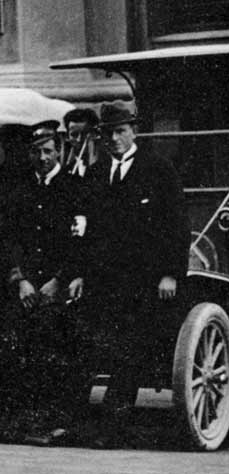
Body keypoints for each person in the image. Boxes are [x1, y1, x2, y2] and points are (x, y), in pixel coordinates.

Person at [72, 102, 189, 448]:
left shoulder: (159, 169)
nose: (115, 139)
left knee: (129, 348)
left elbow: (177, 226)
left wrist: (171, 274)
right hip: (103, 280)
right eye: (108, 133)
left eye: (121, 131)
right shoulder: (95, 175)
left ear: (134, 131)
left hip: (144, 281)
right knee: (97, 344)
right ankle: (90, 422)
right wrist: (78, 273)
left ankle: (113, 425)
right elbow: (84, 228)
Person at [0, 121, 85, 445]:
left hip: (58, 289)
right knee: (9, 340)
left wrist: (57, 281)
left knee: (49, 344)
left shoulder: (75, 188)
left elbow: (81, 241)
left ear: (59, 151)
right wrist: (20, 280)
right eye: (36, 152)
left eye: (48, 151)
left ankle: (50, 422)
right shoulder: (19, 189)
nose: (42, 157)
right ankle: (15, 421)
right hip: (24, 288)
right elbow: (8, 238)